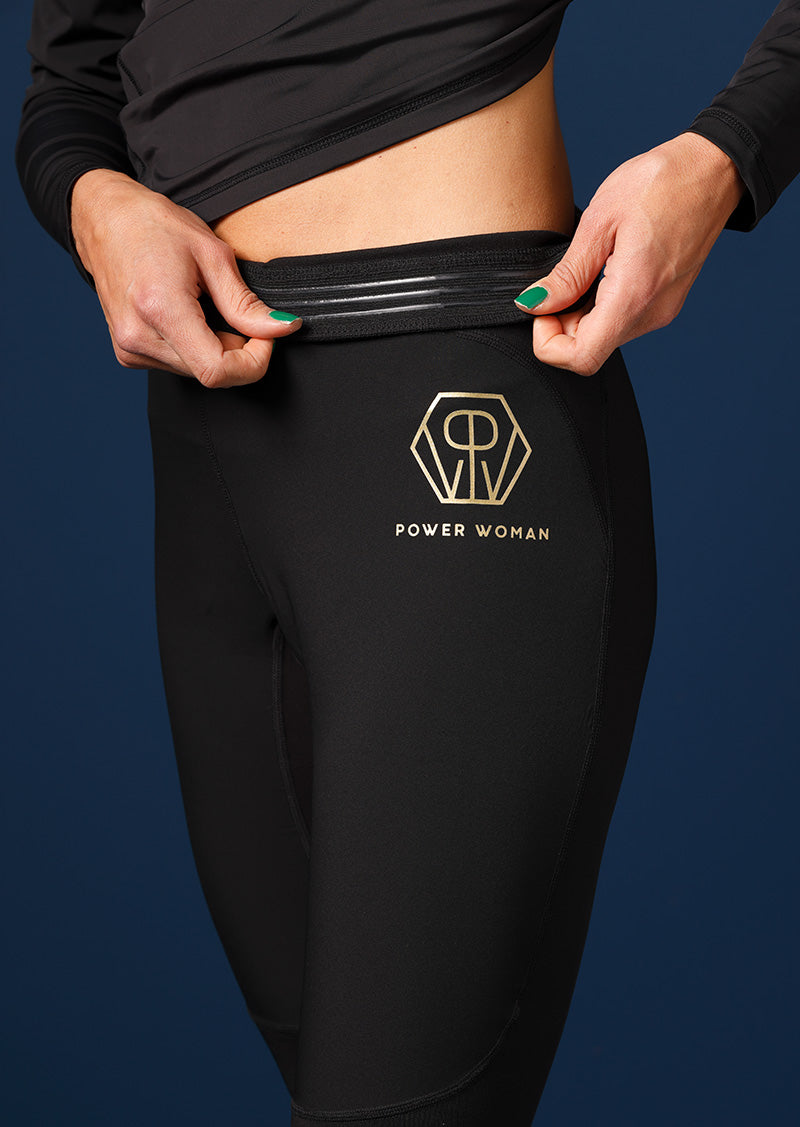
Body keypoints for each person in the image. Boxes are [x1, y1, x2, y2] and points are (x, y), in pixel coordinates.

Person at [15, 3, 800, 1125]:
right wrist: (95, 205)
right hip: (208, 452)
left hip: (456, 383)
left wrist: (725, 155)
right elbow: (74, 81)